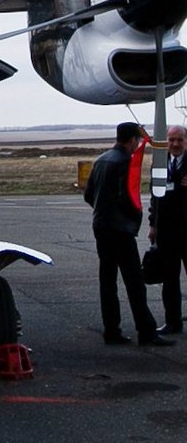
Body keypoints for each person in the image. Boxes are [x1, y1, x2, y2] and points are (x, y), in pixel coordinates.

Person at [84, 121, 170, 347]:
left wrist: (102, 209)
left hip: (101, 226)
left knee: (108, 280)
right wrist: (133, 217)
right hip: (120, 230)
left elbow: (89, 194)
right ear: (132, 139)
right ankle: (146, 330)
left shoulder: (101, 160)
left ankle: (111, 329)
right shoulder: (124, 162)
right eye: (137, 141)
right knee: (134, 282)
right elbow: (127, 196)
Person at [153, 125, 186, 335]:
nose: (175, 144)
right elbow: (154, 195)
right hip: (167, 231)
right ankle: (172, 321)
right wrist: (152, 224)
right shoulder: (160, 161)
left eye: (180, 140)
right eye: (171, 140)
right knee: (170, 280)